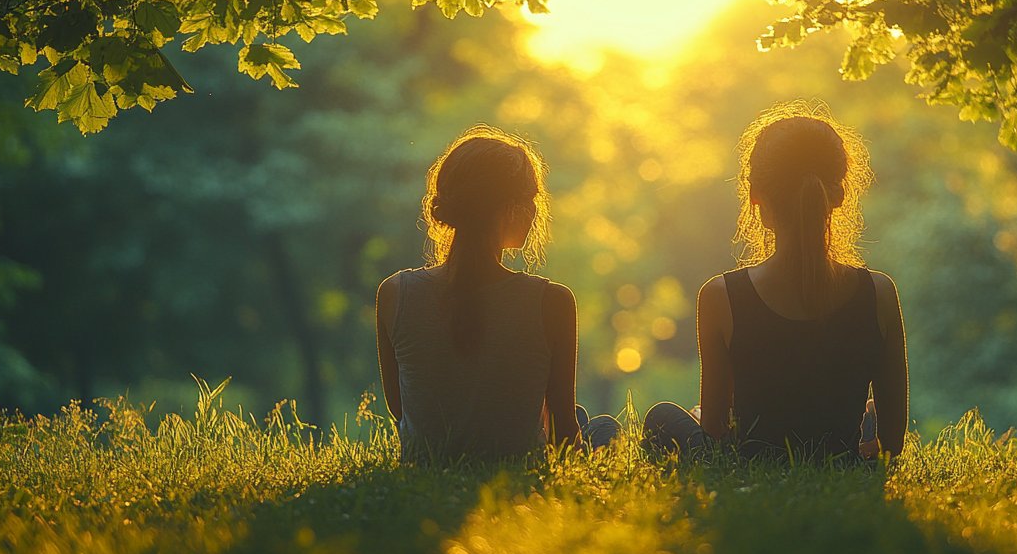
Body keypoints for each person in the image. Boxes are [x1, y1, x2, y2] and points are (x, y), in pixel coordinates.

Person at [642, 102, 908, 463]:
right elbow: (892, 441)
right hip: (842, 458)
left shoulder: (721, 296)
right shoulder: (879, 292)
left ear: (757, 200)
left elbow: (717, 428)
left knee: (662, 417)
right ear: (839, 195)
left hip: (753, 462)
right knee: (872, 409)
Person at [375, 126, 617, 463]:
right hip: (519, 464)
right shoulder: (552, 302)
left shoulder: (394, 293)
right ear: (510, 208)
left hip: (427, 462)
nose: (535, 211)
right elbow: (563, 428)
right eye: (531, 198)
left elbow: (402, 410)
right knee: (602, 427)